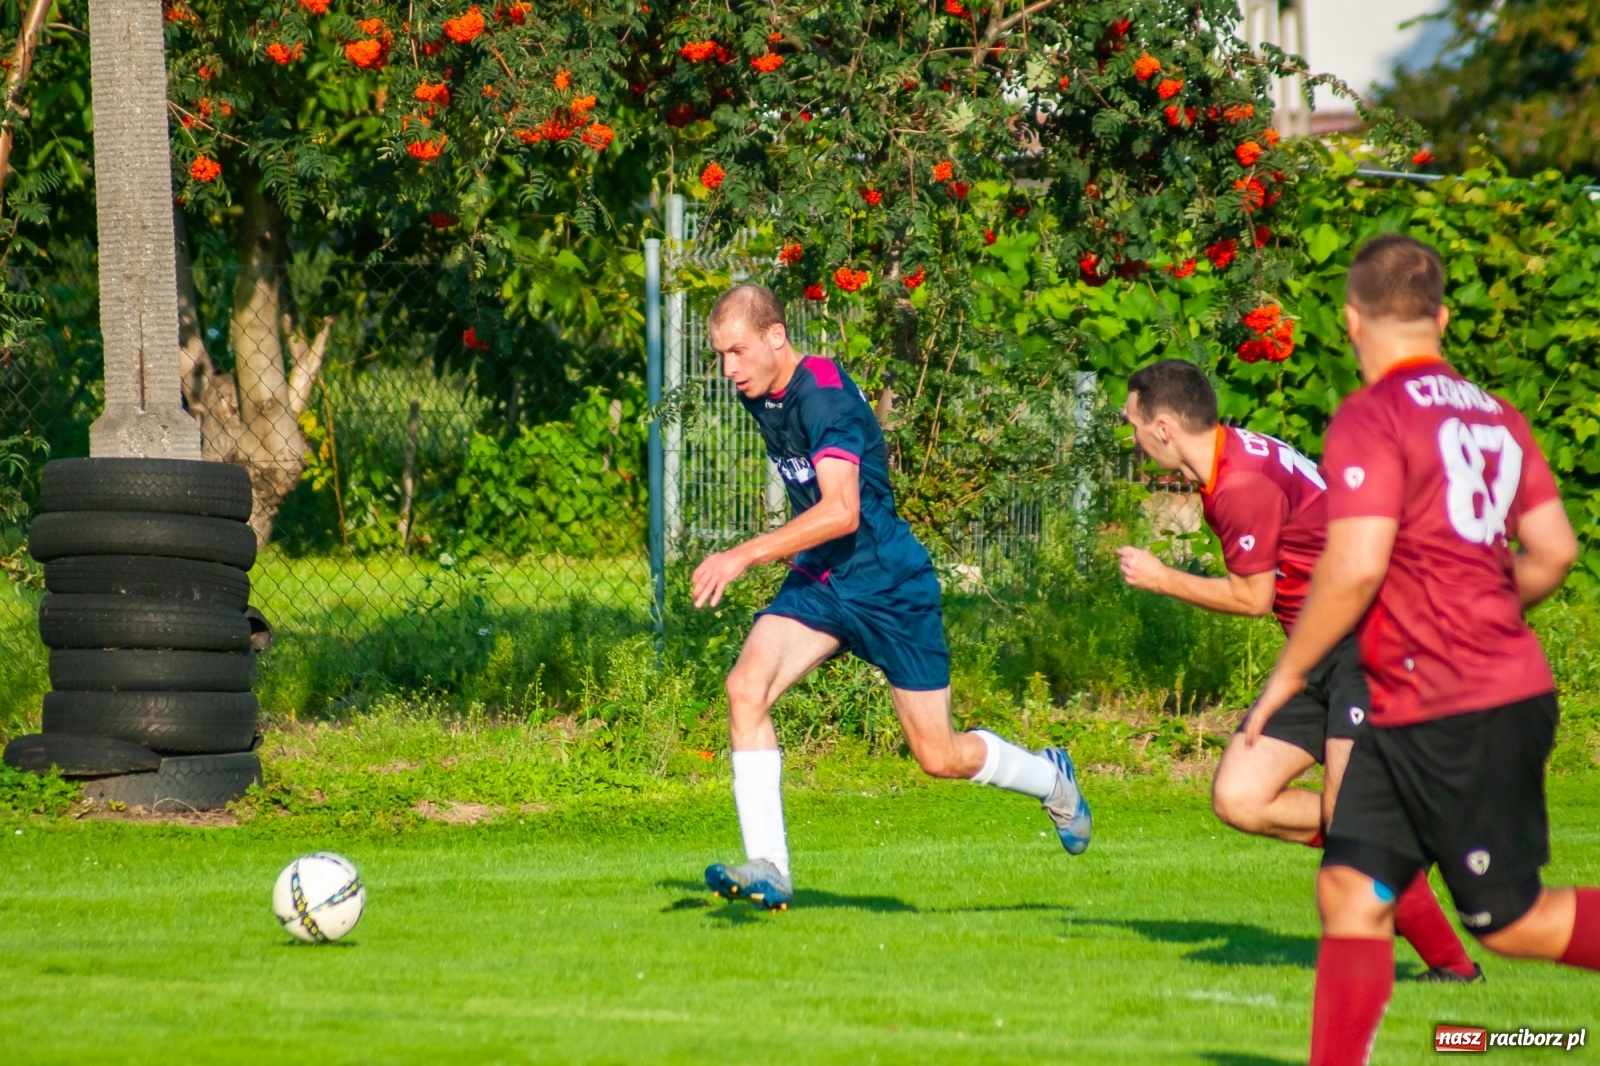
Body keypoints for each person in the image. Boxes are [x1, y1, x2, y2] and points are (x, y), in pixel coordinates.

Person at [1243, 234, 1599, 1064]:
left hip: (1461, 699)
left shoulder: (1373, 415)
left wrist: (1289, 672)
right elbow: (1552, 551)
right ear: (1440, 318)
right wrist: (1477, 605)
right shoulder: (1496, 414)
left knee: (1509, 921)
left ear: (1350, 320)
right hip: (1415, 695)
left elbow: (1356, 566)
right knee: (1349, 889)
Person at [691, 284, 1092, 910]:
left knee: (940, 755)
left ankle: (1050, 777)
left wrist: (742, 554)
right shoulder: (762, 392)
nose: (728, 369)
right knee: (746, 688)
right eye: (720, 356)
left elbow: (843, 511)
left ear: (777, 337)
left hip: (889, 585)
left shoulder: (822, 397)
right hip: (824, 582)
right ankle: (769, 866)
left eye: (737, 352)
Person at [1116, 359, 1479, 983]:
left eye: (1133, 423)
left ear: (1166, 427)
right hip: (1318, 648)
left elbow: (1252, 598)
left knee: (1351, 822)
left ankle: (1453, 968)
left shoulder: (1238, 485)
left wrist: (1161, 578)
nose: (1132, 436)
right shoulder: (1232, 457)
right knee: (1240, 798)